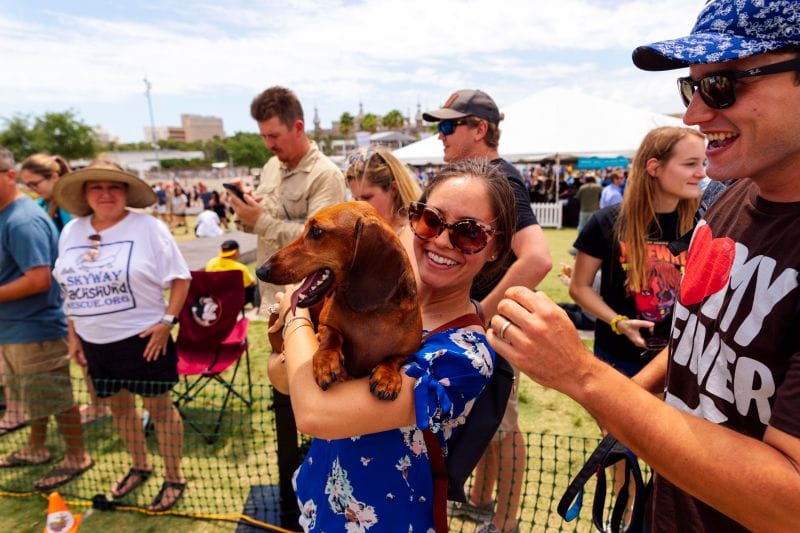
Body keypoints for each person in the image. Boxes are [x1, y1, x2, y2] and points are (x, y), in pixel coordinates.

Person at [488, 1, 800, 530]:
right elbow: (697, 345)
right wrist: (625, 411)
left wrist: (585, 377)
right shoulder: (729, 200)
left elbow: (790, 504)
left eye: (722, 85)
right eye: (691, 87)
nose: (695, 114)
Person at [267, 159, 516, 531]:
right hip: (318, 508)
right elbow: (282, 379)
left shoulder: (465, 355)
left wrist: (295, 315)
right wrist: (301, 344)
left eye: (470, 233)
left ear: (495, 248)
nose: (442, 240)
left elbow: (313, 413)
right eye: (431, 219)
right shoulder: (361, 294)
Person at [423, 89, 552, 533]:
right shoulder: (492, 175)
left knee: (504, 425)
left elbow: (537, 258)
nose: (439, 137)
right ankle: (480, 499)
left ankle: (506, 522)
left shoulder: (499, 179)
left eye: (447, 126)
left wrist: (479, 315)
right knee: (489, 420)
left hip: (490, 328)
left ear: (480, 129)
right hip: (485, 326)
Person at [52, 160, 191, 512]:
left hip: (144, 338)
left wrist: (166, 321)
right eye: (96, 187)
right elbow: (70, 289)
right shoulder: (72, 232)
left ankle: (174, 477)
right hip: (95, 342)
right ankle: (139, 465)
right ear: (85, 194)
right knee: (119, 408)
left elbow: (180, 277)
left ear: (126, 191)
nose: (105, 193)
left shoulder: (148, 227)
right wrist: (74, 336)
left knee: (160, 409)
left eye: (114, 186)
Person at [571, 126, 704, 377]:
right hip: (618, 361)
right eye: (690, 164)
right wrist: (618, 322)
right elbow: (579, 287)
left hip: (679, 364)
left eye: (703, 162)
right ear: (654, 167)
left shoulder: (702, 226)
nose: (702, 172)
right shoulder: (606, 222)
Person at [0, 145, 94, 491]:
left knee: (56, 398)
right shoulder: (8, 214)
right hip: (14, 328)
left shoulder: (22, 220)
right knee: (31, 394)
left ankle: (77, 455)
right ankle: (36, 448)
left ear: (10, 176)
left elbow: (39, 279)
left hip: (35, 328)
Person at [228, 86, 345, 315]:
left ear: (298, 127)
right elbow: (259, 225)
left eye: (274, 136)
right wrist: (244, 209)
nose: (268, 144)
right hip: (272, 293)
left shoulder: (325, 175)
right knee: (275, 349)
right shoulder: (272, 166)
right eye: (263, 136)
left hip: (304, 300)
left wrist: (261, 220)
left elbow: (321, 243)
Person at [19, 153, 112, 426]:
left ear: (55, 178)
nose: (31, 190)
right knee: (81, 351)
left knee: (87, 351)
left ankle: (100, 405)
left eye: (35, 183)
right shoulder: (41, 205)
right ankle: (98, 403)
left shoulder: (70, 214)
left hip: (78, 289)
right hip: (65, 293)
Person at [344, 146, 422, 255]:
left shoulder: (414, 232)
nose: (359, 206)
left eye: (367, 197)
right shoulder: (365, 234)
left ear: (394, 189)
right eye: (355, 198)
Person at [205, 239, 256, 307]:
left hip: (216, 298)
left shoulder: (211, 262)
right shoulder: (240, 268)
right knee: (253, 286)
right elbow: (248, 283)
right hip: (235, 299)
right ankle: (256, 308)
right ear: (236, 251)